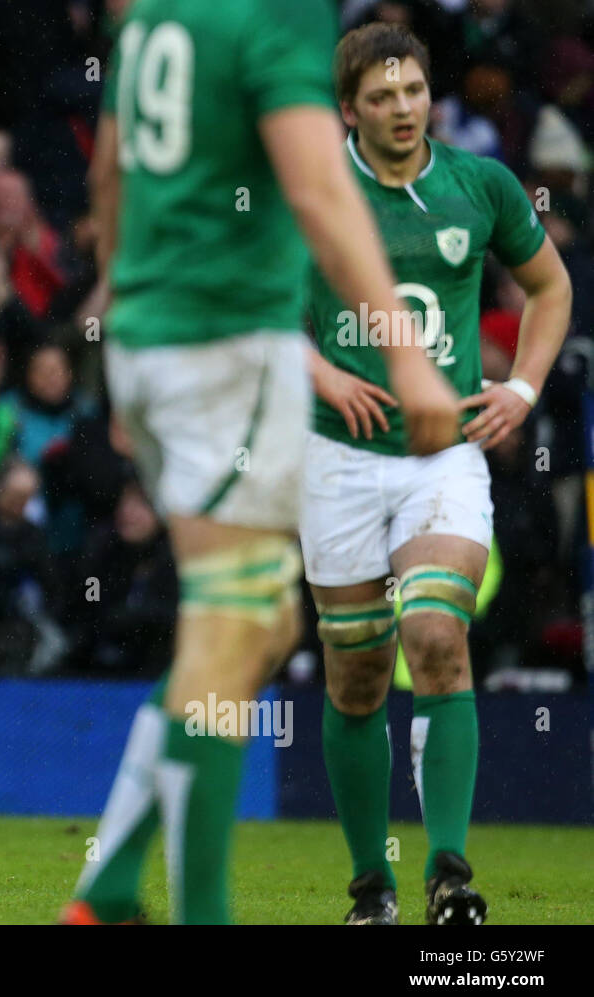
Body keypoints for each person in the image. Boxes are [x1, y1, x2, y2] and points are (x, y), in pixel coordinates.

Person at [63, 0, 461, 925]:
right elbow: (321, 189)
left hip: (155, 338)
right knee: (236, 624)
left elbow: (107, 174)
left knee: (261, 618)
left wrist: (122, 331)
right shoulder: (277, 11)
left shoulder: (155, 17)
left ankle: (112, 889)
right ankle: (185, 907)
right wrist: (406, 352)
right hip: (229, 345)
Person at [304, 23, 570, 925]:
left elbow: (551, 286)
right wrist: (325, 372)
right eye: (382, 97)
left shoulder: (480, 184)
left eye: (413, 91)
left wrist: (525, 387)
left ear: (431, 94)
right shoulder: (309, 189)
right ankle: (368, 886)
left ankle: (450, 875)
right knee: (357, 679)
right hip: (333, 458)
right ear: (350, 109)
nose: (403, 108)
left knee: (436, 636)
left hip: (441, 456)